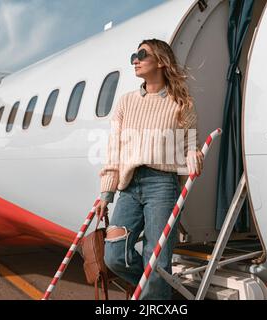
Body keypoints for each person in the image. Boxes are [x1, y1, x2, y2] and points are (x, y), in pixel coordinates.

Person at [96, 39, 204, 300]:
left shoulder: (182, 103)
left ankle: (156, 291)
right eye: (134, 54)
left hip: (163, 186)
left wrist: (194, 154)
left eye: (142, 54)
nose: (135, 59)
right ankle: (159, 289)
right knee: (113, 255)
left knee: (157, 261)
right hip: (129, 186)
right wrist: (106, 194)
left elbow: (190, 144)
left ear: (161, 61)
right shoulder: (125, 102)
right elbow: (114, 150)